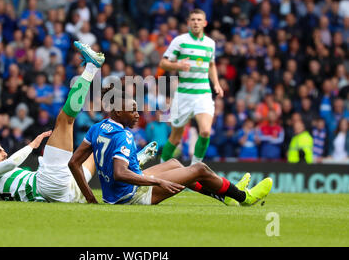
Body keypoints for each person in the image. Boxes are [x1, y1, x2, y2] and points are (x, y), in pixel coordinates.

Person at [69, 82, 273, 207]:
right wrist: (159, 182)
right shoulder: (124, 136)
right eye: (132, 110)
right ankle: (243, 197)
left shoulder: (97, 127)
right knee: (199, 168)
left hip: (113, 194)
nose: (137, 114)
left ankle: (224, 196)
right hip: (131, 196)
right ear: (117, 112)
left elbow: (74, 163)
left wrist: (90, 197)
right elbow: (120, 173)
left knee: (175, 163)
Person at [0, 41, 105, 203]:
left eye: (2, 150)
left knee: (97, 148)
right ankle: (92, 67)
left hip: (63, 193)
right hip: (49, 182)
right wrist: (32, 145)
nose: (4, 153)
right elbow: (9, 164)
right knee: (65, 120)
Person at [158, 9, 224, 164]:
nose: (196, 22)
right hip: (184, 94)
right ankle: (160, 169)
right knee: (175, 138)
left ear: (205, 23)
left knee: (206, 131)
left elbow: (212, 64)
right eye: (193, 19)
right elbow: (163, 63)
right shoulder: (180, 41)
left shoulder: (210, 44)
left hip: (203, 94)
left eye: (199, 19)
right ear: (188, 22)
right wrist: (178, 65)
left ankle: (195, 168)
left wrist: (216, 84)